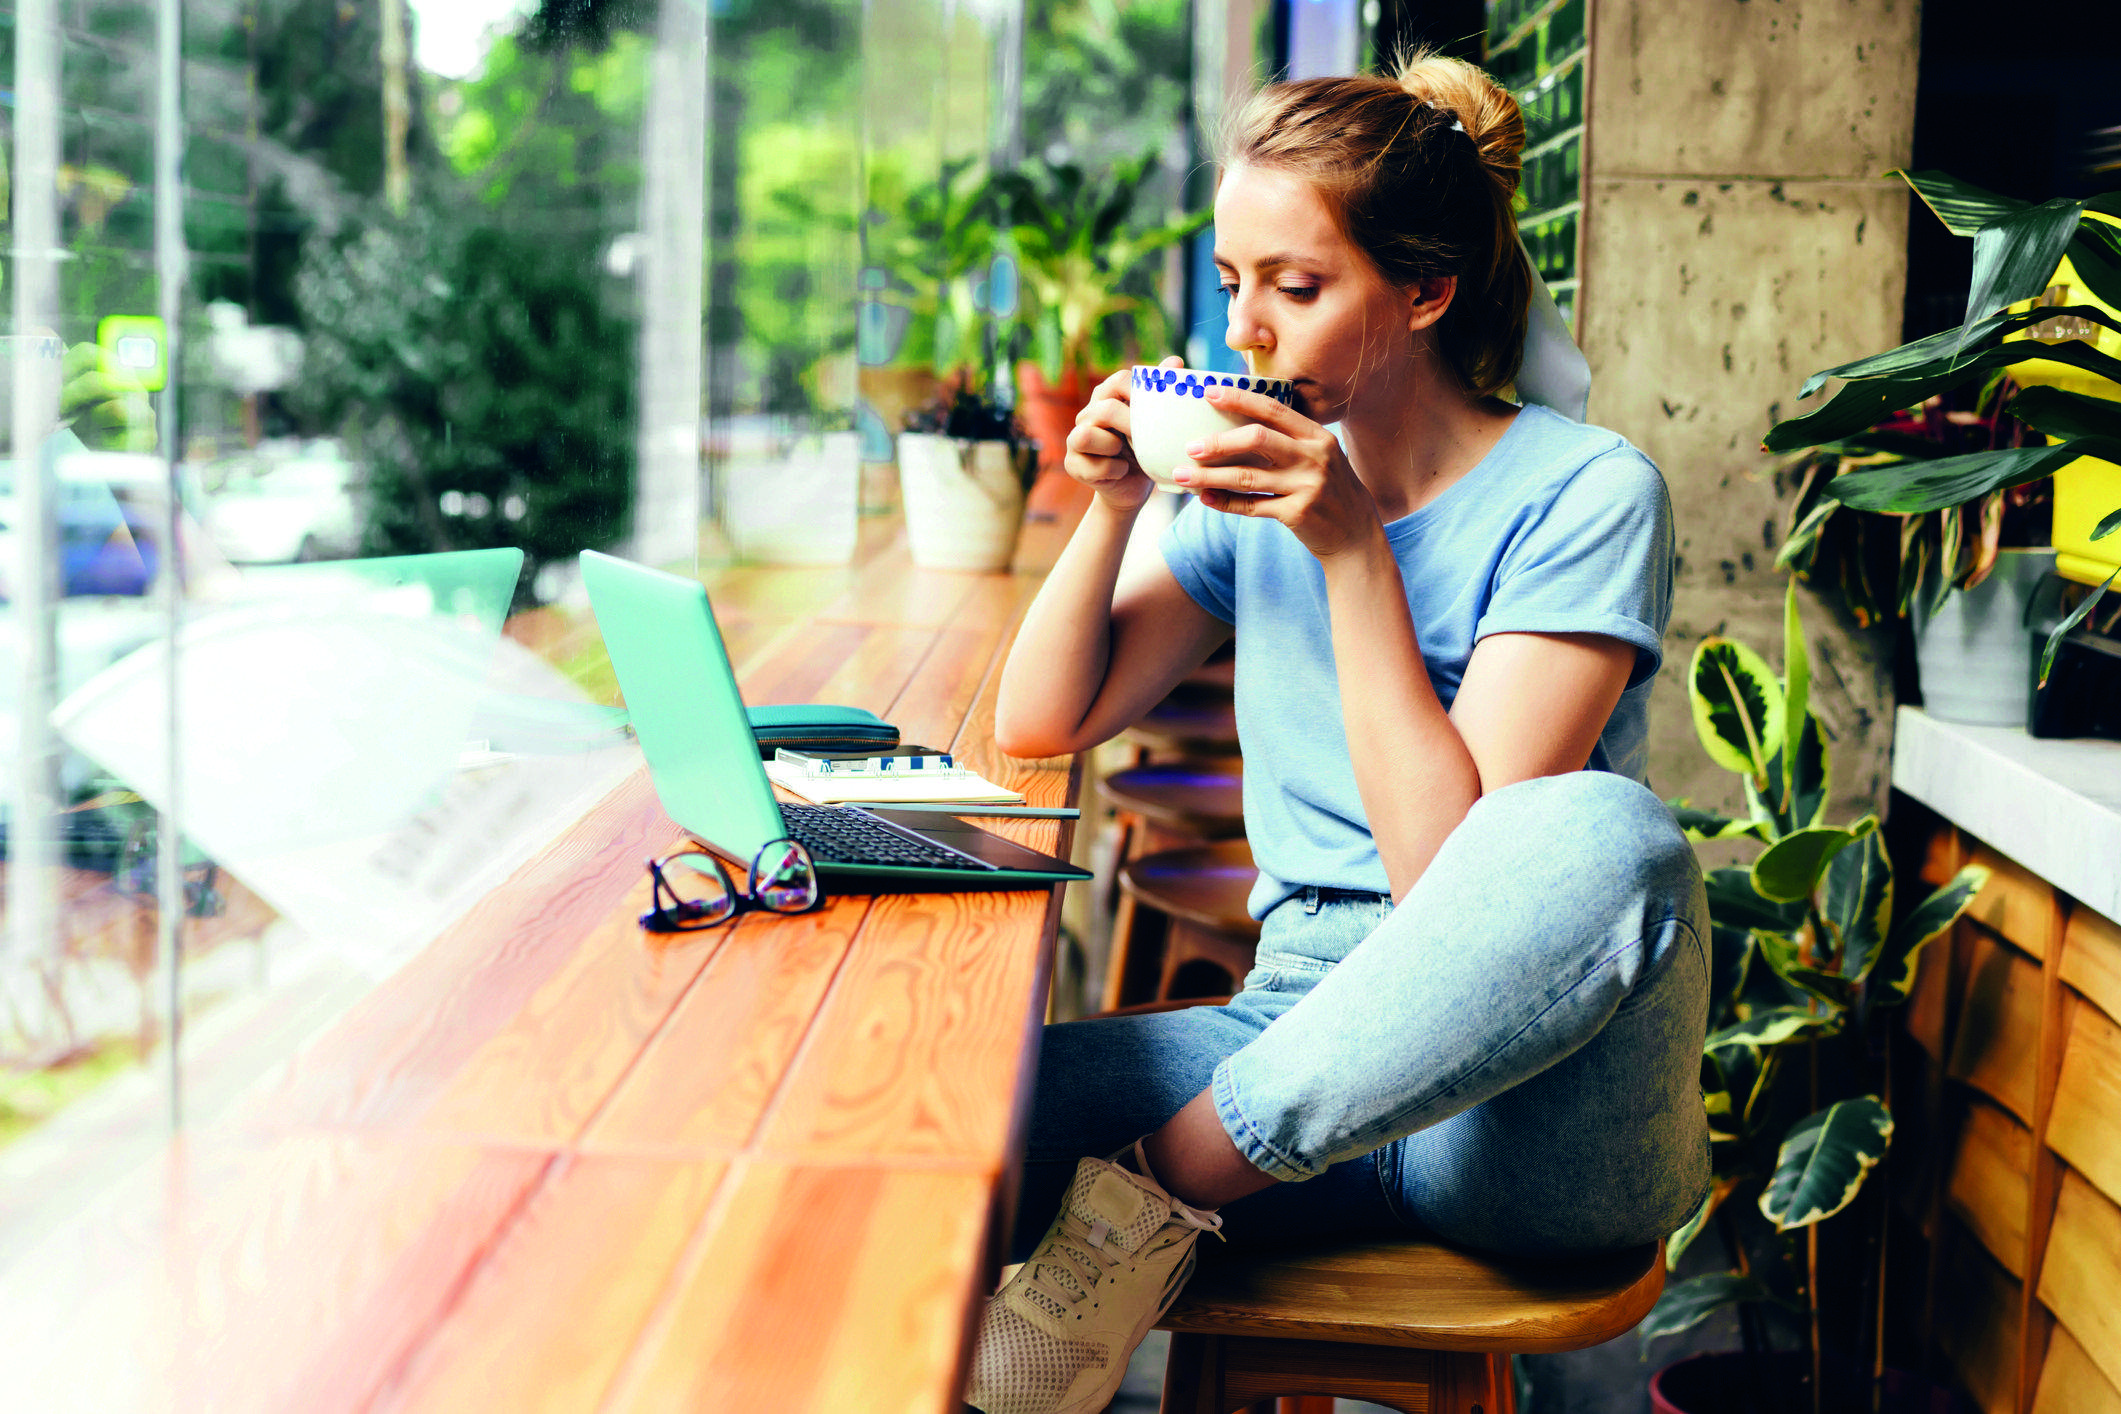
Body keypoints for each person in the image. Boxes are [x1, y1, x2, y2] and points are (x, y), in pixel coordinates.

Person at [965, 51, 1711, 1414]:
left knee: (1608, 835)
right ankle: (1159, 1191)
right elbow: (1043, 716)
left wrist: (1354, 551)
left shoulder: (1589, 494)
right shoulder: (1250, 486)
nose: (1246, 332)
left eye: (1295, 288)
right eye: (1231, 282)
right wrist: (1117, 508)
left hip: (1525, 1117)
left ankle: (1146, 1200)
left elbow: (1448, 882)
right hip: (1289, 1025)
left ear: (1426, 292)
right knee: (945, 1111)